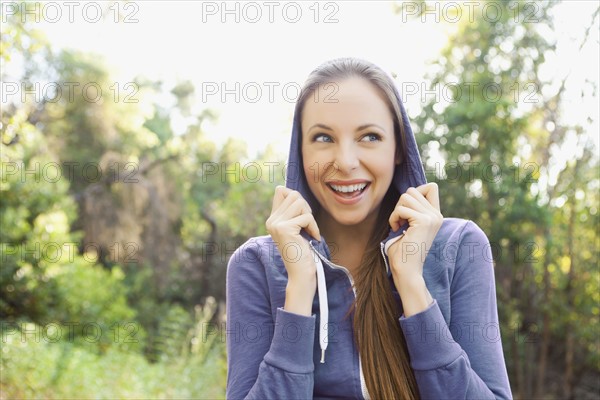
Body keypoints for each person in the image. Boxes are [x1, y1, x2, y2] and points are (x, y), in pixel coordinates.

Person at [225, 57, 513, 399]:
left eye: (370, 136)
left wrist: (412, 285)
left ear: (398, 150)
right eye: (322, 138)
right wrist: (300, 289)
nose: (345, 161)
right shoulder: (256, 264)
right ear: (299, 152)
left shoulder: (460, 246)